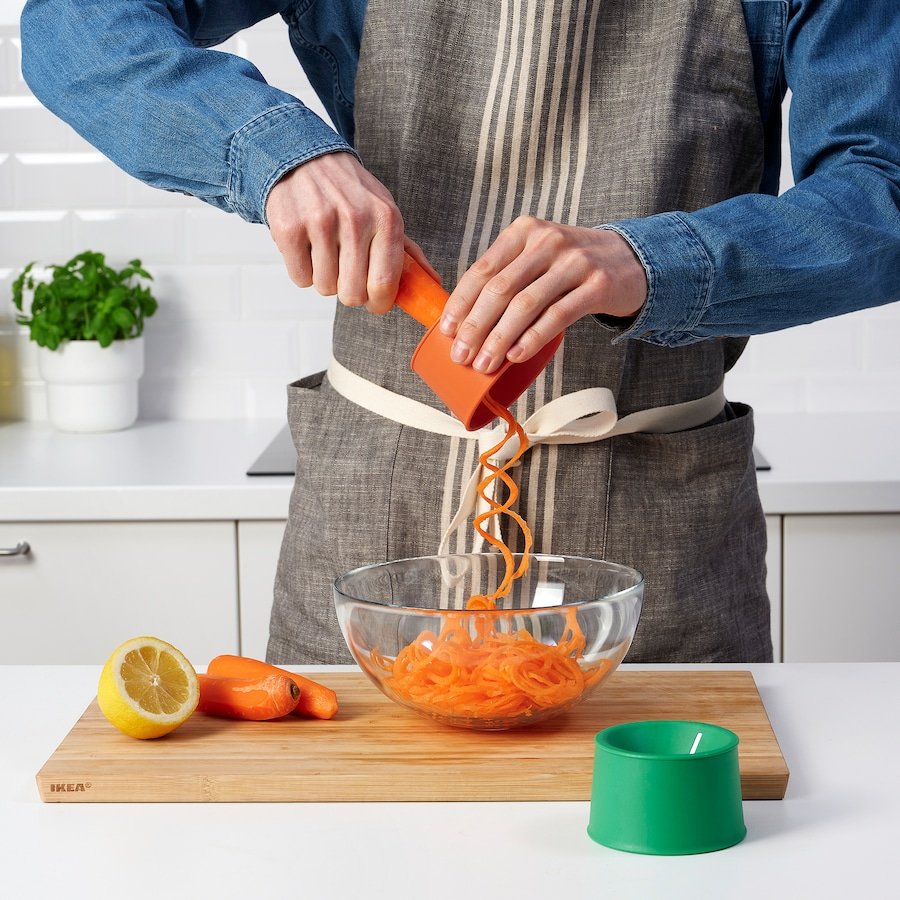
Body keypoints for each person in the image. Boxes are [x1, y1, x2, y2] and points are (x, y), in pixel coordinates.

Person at [21, 1, 900, 664]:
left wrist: (649, 261)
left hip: (658, 536)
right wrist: (274, 152)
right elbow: (73, 23)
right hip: (372, 516)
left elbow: (880, 189)